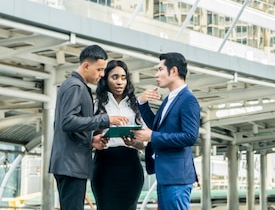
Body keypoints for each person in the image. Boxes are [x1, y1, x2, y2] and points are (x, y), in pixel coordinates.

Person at [49, 45, 129, 210]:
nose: (101, 74)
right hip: (71, 164)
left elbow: (62, 124)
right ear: (86, 66)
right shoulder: (76, 87)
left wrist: (90, 140)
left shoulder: (72, 85)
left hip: (69, 162)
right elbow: (67, 122)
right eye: (99, 69)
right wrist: (104, 120)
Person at [133, 52, 201, 210]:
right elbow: (157, 127)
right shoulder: (170, 99)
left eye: (160, 69)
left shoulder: (188, 100)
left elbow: (190, 137)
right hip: (165, 176)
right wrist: (141, 103)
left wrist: (152, 136)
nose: (156, 75)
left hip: (177, 178)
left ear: (174, 71)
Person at [91, 60, 145, 210]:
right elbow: (88, 136)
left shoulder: (136, 106)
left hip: (131, 166)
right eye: (114, 77)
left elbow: (144, 144)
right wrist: (97, 138)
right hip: (104, 165)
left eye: (123, 77)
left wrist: (134, 142)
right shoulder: (95, 105)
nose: (120, 82)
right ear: (105, 79)